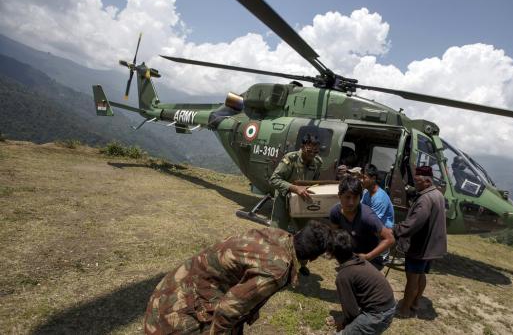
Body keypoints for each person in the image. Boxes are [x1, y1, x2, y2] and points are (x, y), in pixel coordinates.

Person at [144, 221, 333, 335]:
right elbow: (228, 311)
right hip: (175, 309)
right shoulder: (277, 269)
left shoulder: (279, 236)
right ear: (313, 258)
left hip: (175, 286)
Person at [392, 166, 447, 318]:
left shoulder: (425, 199)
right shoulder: (438, 194)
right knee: (421, 275)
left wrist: (395, 230)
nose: (414, 184)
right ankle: (415, 303)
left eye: (417, 181)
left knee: (412, 279)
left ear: (427, 181)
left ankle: (404, 310)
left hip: (420, 246)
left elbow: (414, 223)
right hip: (431, 247)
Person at [331, 230, 396, 334]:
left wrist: (345, 327)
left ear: (332, 253)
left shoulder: (344, 276)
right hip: (389, 307)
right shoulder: (360, 259)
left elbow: (351, 312)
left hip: (378, 314)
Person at [329, 176, 395, 270]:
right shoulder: (335, 212)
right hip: (350, 258)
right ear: (339, 196)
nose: (351, 202)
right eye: (347, 197)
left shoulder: (367, 216)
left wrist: (368, 256)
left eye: (355, 197)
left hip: (371, 261)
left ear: (360, 197)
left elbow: (390, 239)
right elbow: (335, 236)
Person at [269, 133, 323, 232]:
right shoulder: (290, 158)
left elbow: (315, 182)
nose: (312, 154)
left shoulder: (317, 162)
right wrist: (295, 188)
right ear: (302, 147)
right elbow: (274, 179)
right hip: (284, 199)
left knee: (305, 233)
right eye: (309, 151)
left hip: (302, 200)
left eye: (315, 152)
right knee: (276, 233)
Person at [361, 164, 395, 229]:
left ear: (373, 179)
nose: (361, 180)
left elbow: (372, 222)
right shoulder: (366, 192)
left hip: (384, 230)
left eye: (364, 178)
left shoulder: (380, 198)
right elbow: (360, 209)